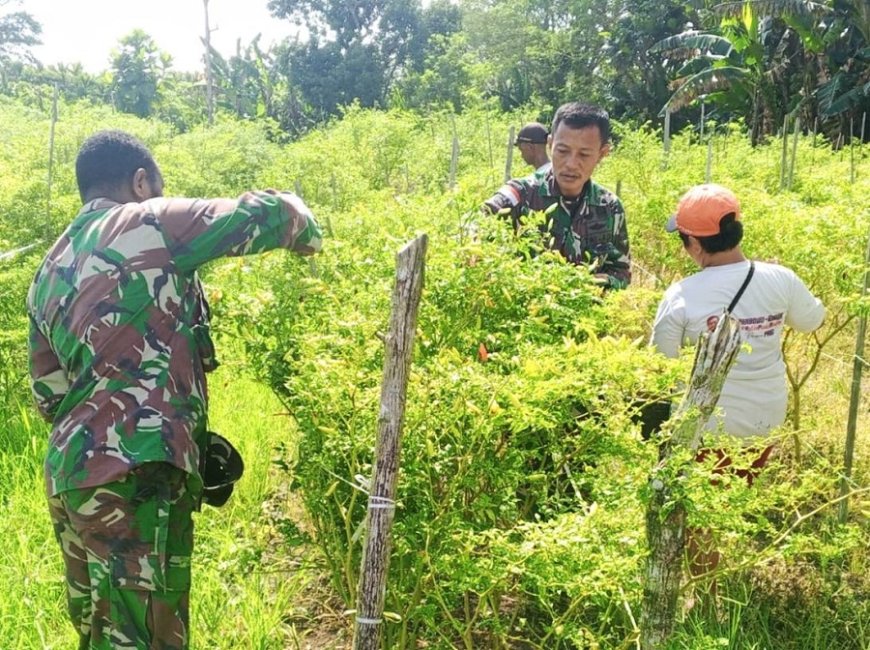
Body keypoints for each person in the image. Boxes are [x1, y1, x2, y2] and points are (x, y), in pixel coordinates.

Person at [27, 130, 323, 649]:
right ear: (141, 182)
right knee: (148, 639)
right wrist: (309, 231)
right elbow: (277, 214)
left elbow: (50, 396)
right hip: (136, 474)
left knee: (103, 635)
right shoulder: (147, 221)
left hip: (72, 478)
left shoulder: (47, 271)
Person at [649, 183, 825, 600]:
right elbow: (813, 319)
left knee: (700, 514)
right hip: (766, 421)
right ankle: (718, 583)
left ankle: (707, 599)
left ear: (694, 244)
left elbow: (659, 368)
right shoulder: (780, 278)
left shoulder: (682, 296)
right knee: (731, 499)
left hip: (708, 427)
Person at [483, 102, 630, 289]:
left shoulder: (610, 207)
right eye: (562, 151)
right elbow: (477, 228)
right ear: (550, 144)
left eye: (584, 155)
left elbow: (621, 271)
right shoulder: (520, 195)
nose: (571, 164)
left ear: (602, 153)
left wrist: (600, 283)